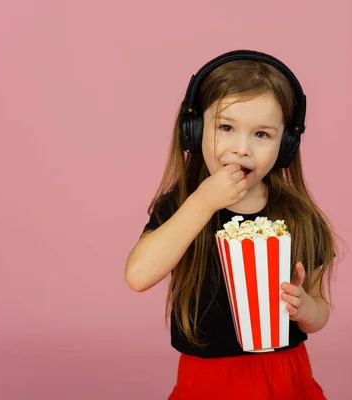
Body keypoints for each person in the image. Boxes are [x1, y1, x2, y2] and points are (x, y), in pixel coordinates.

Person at [125, 49, 338, 399]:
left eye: (262, 135)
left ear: (286, 145)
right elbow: (138, 276)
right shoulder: (182, 206)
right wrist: (204, 202)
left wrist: (305, 308)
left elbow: (319, 312)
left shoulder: (298, 215)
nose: (241, 149)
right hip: (207, 381)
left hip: (284, 378)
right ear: (193, 131)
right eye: (225, 127)